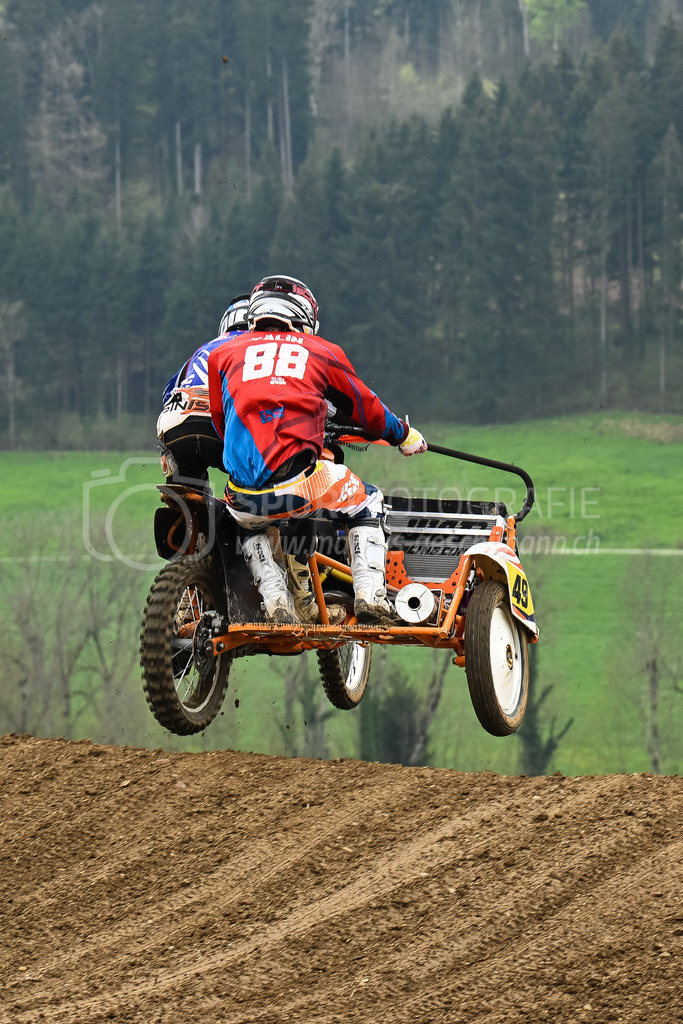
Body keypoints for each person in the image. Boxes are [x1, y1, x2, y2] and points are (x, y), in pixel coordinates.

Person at [207, 275, 427, 625]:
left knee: (250, 524)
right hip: (299, 485)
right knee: (367, 501)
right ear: (303, 315)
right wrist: (403, 435)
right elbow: (366, 409)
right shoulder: (321, 351)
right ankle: (371, 593)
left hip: (240, 495)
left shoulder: (221, 354)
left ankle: (277, 600)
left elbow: (221, 423)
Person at [156, 294, 250, 491]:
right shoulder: (262, 348)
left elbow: (168, 392)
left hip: (176, 422)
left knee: (187, 495)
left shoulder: (203, 349)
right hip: (220, 426)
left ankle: (185, 512)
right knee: (256, 485)